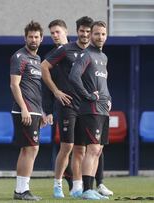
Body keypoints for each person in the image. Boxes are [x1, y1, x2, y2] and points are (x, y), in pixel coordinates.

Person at [42, 16, 94, 198]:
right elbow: (43, 68)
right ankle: (57, 185)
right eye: (82, 30)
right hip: (67, 105)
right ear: (77, 31)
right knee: (67, 147)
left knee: (82, 149)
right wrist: (56, 92)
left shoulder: (93, 52)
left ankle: (77, 188)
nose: (85, 34)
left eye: (89, 31)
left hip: (85, 106)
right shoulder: (65, 50)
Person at [69, 21, 111, 200]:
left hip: (103, 110)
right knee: (92, 149)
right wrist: (87, 95)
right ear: (91, 35)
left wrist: (108, 98)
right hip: (90, 110)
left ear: (106, 35)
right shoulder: (86, 55)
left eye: (102, 34)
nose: (99, 37)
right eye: (96, 34)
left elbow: (103, 83)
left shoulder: (104, 57)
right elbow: (73, 76)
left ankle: (91, 188)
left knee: (98, 150)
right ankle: (86, 190)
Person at [10, 21, 46, 201]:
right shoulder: (19, 57)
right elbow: (14, 85)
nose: (33, 40)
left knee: (30, 150)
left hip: (34, 111)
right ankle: (21, 190)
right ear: (25, 38)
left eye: (36, 37)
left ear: (41, 39)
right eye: (30, 37)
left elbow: (35, 88)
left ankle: (21, 189)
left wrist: (42, 112)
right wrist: (24, 108)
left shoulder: (38, 59)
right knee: (30, 149)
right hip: (24, 111)